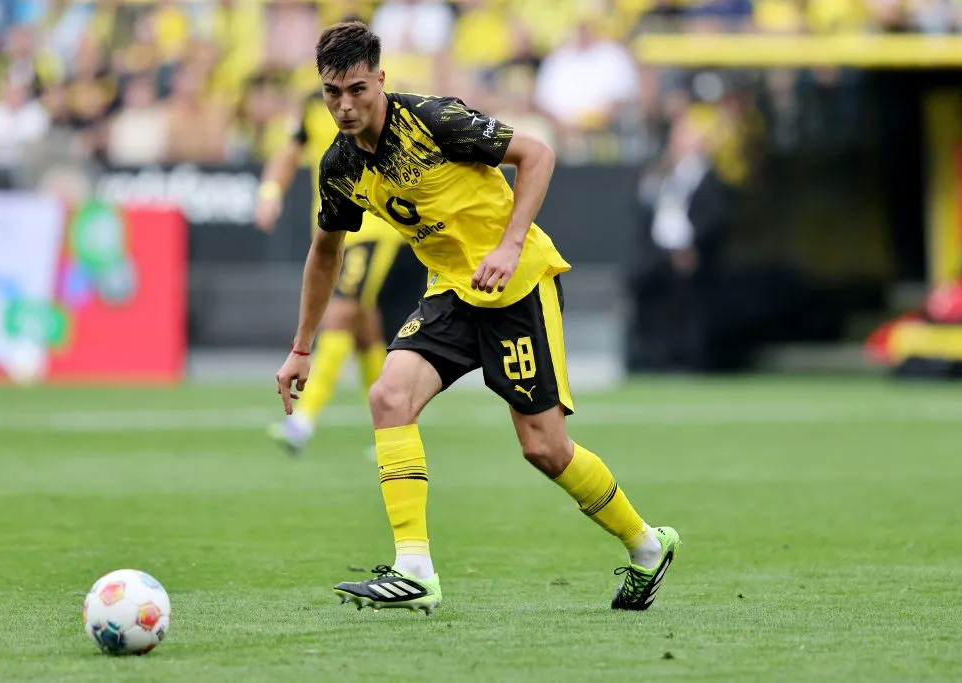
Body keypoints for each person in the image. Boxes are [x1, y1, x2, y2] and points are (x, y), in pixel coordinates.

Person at [274, 21, 681, 614]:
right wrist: (301, 347)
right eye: (332, 93)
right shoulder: (339, 165)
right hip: (453, 293)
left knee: (544, 448)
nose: (345, 106)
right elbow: (325, 252)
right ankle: (415, 570)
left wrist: (510, 245)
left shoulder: (433, 120)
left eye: (357, 89)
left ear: (380, 80)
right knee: (389, 396)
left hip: (518, 287)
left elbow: (537, 155)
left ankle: (646, 545)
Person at [256, 86, 411, 454]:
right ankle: (393, 430)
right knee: (364, 329)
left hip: (372, 227)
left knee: (341, 313)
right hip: (336, 229)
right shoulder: (314, 103)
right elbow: (289, 151)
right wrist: (269, 194)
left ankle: (302, 422)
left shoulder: (379, 99)